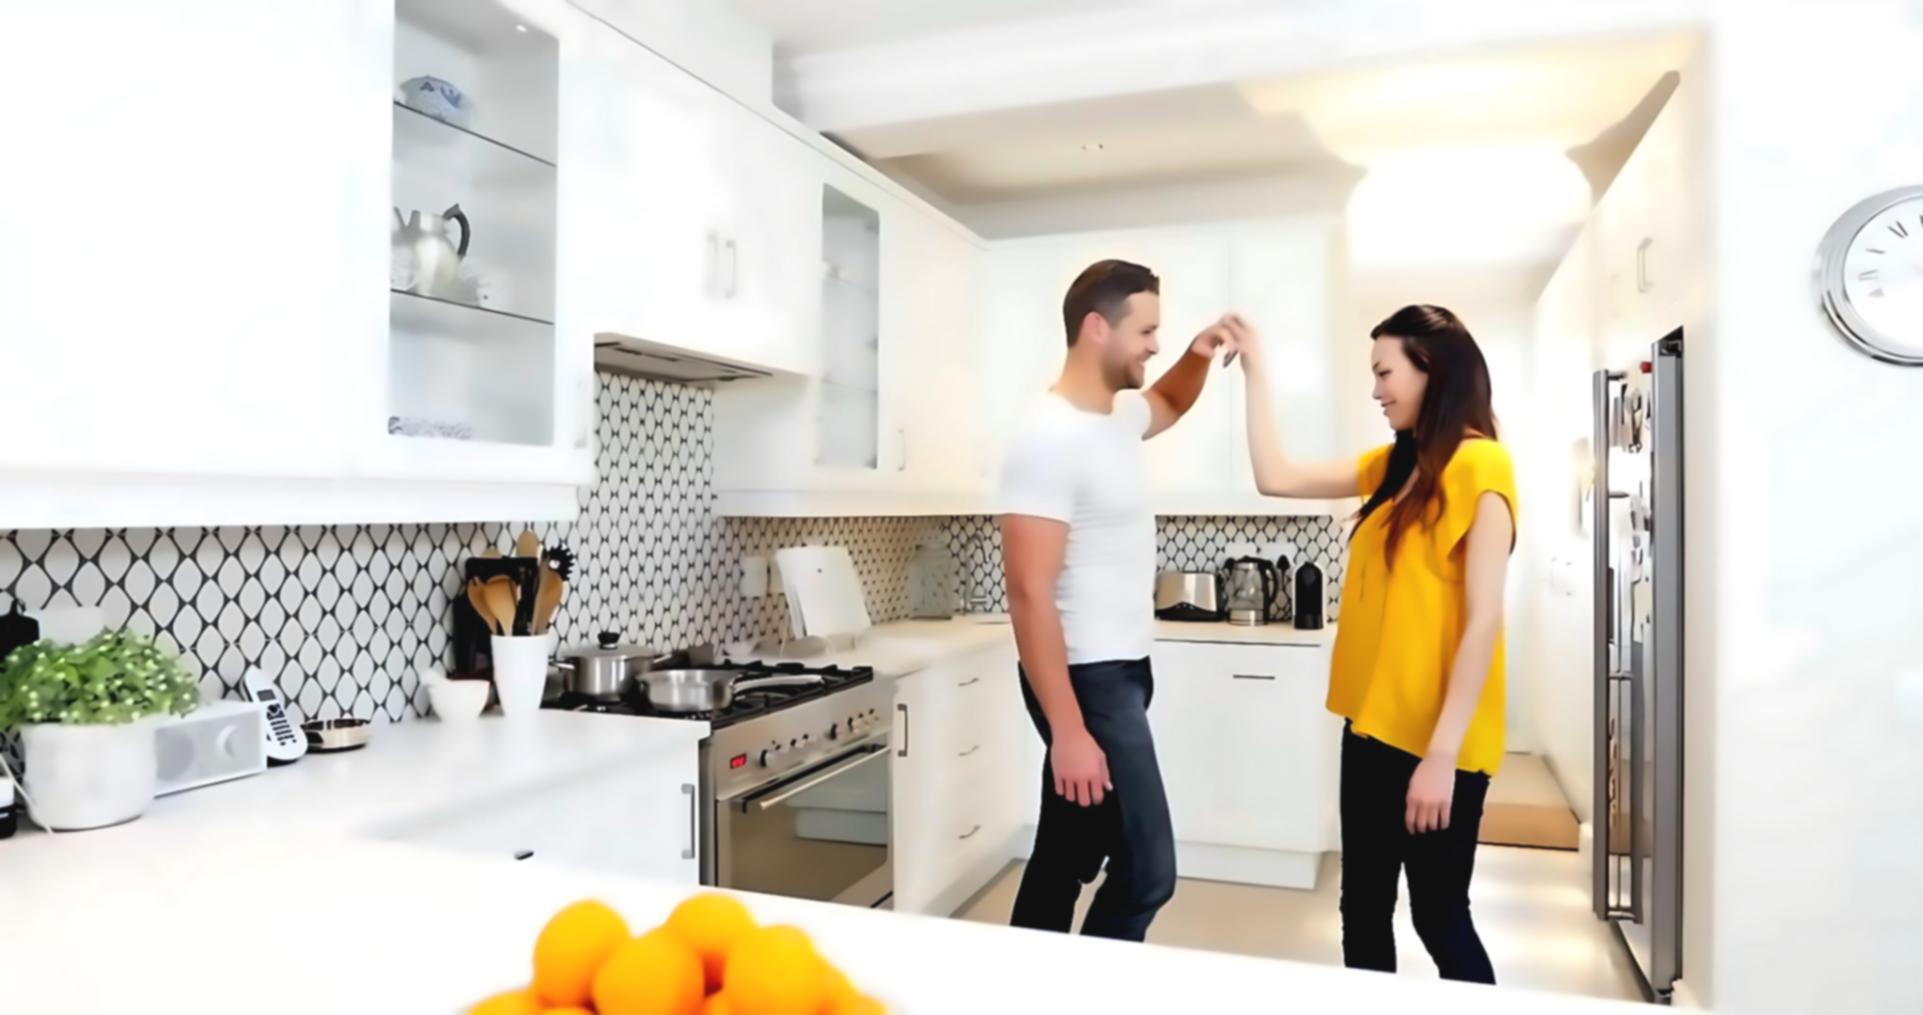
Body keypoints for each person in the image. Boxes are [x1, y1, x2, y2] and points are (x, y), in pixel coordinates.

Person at [1231, 305, 1516, 983]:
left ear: (1431, 370)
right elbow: (1277, 476)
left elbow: (1482, 621)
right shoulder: (1397, 464)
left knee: (1437, 916)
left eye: (1385, 371)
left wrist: (1440, 757)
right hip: (1369, 732)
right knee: (1361, 909)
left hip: (1437, 746)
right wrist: (1255, 370)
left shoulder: (1482, 466)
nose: (1376, 389)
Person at [997, 259, 1237, 941]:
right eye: (1147, 330)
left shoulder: (1116, 416)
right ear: (1096, 328)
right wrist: (1068, 731)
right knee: (1145, 869)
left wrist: (1197, 352)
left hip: (1121, 673)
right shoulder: (1047, 437)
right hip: (1086, 680)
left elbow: (1169, 401)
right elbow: (1027, 591)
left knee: (1067, 852)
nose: (1155, 344)